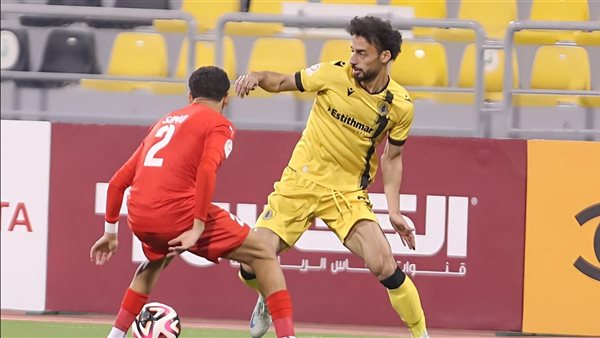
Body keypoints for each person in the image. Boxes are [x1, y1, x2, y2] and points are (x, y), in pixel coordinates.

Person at [234, 16, 428, 338]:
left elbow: (392, 158)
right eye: (352, 50)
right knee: (251, 261)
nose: (353, 59)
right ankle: (265, 295)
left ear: (385, 57)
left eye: (362, 53)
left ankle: (422, 334)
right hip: (301, 180)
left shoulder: (401, 107)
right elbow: (281, 81)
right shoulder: (331, 74)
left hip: (347, 191)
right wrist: (256, 76)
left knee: (384, 264)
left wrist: (393, 211)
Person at [90, 66, 296, 338]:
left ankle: (114, 336)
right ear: (226, 99)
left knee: (156, 261)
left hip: (139, 216)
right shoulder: (218, 124)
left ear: (189, 96)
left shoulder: (164, 122)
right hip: (178, 213)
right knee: (264, 254)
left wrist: (110, 233)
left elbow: (117, 182)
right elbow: (207, 170)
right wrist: (198, 224)